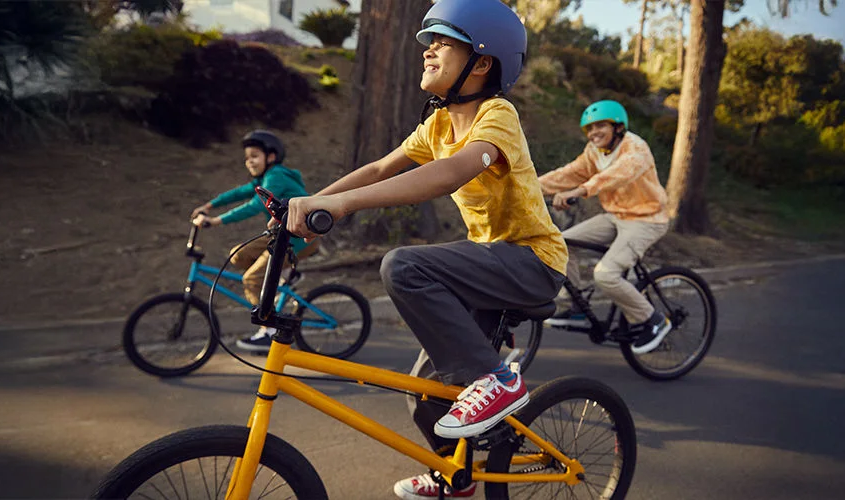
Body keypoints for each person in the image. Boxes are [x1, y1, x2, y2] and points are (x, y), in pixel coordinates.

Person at [280, 1, 566, 497]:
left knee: (404, 265)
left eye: (443, 41)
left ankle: (498, 381)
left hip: (532, 262)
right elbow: (376, 170)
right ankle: (455, 477)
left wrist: (345, 206)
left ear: (481, 62)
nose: (428, 49)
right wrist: (307, 206)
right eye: (428, 41)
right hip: (487, 266)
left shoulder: (497, 115)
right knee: (427, 394)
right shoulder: (436, 125)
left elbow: (451, 173)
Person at [537, 99, 673, 354]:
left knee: (606, 274)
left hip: (646, 220)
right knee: (560, 243)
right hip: (615, 216)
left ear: (618, 127)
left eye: (600, 126)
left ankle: (653, 320)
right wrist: (529, 186)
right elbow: (569, 173)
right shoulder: (594, 151)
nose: (593, 133)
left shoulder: (636, 148)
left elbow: (615, 175)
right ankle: (573, 307)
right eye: (589, 128)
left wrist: (579, 191)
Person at [190, 130, 314, 352]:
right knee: (238, 254)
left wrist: (215, 221)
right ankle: (285, 276)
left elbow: (255, 206)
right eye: (247, 157)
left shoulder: (276, 176)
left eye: (255, 156)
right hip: (281, 235)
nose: (249, 161)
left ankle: (267, 330)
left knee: (251, 280)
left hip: (298, 239)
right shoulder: (263, 179)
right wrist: (208, 206)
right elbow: (238, 194)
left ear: (271, 157)